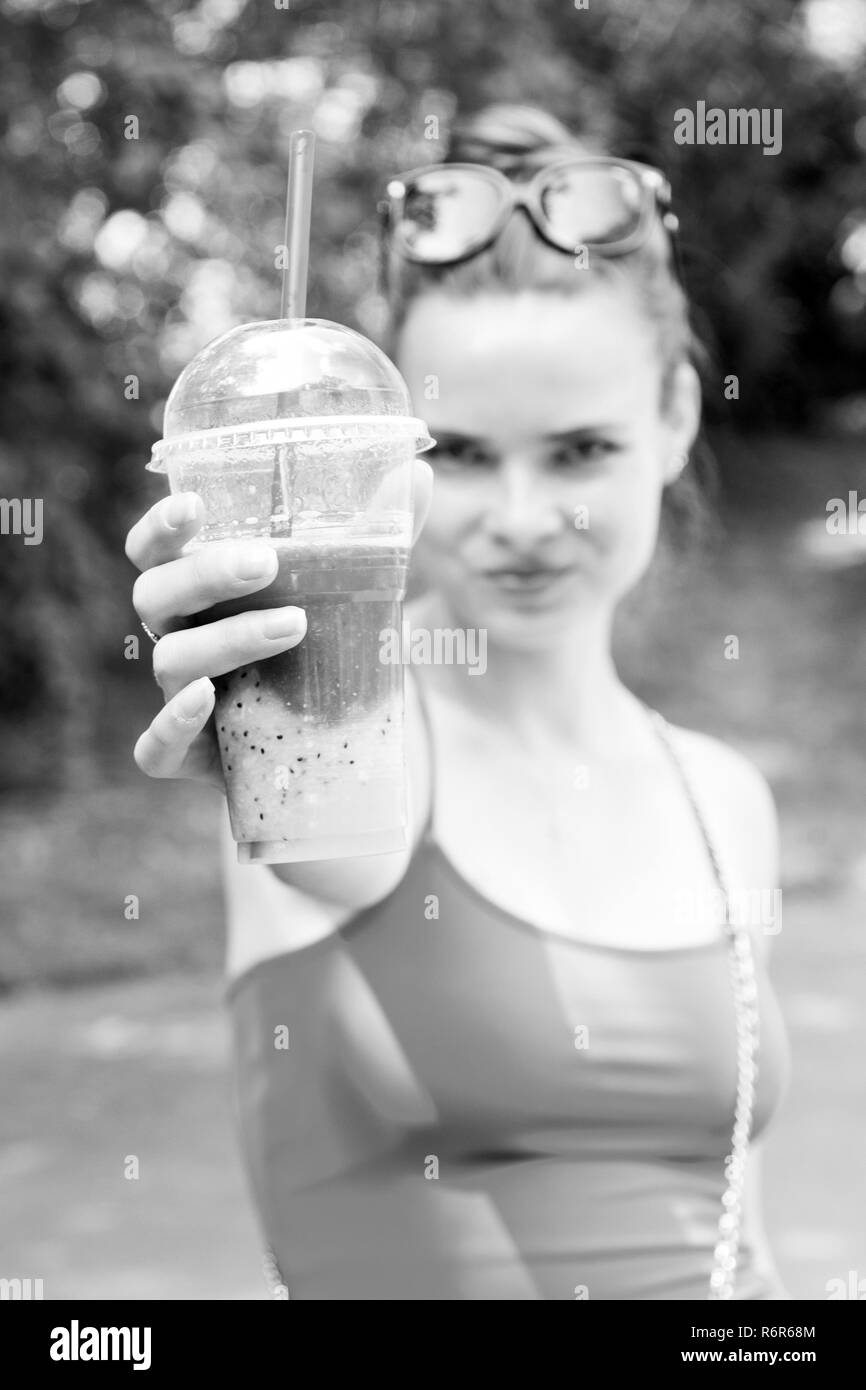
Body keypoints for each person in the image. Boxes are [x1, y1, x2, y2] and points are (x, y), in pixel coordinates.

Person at [125, 104, 791, 1300]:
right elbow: (335, 842)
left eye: (580, 450)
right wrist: (258, 674)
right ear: (395, 459)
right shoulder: (348, 747)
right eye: (468, 454)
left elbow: (736, 1240)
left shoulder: (724, 798)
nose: (524, 518)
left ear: (675, 419)